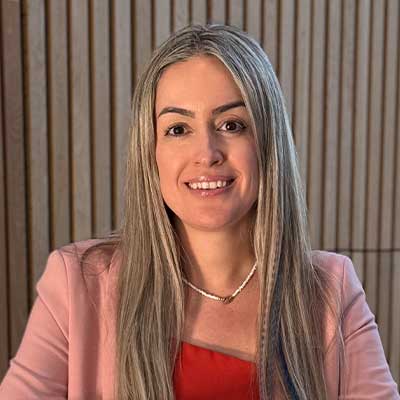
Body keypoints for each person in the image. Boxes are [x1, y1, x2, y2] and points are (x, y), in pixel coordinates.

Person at [0, 23, 398, 400]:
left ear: (268, 144)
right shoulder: (77, 285)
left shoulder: (331, 289)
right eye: (178, 129)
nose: (207, 153)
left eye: (231, 124)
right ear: (150, 153)